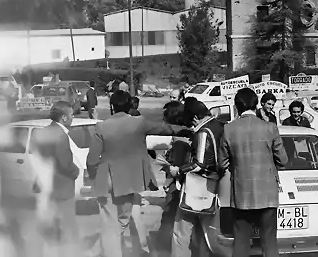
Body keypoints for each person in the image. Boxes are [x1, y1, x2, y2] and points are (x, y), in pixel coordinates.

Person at [86, 90, 193, 257]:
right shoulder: (139, 123)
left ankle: (102, 251)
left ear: (112, 107)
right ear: (129, 106)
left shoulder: (101, 126)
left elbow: (91, 161)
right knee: (121, 221)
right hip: (128, 182)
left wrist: (95, 179)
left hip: (105, 181)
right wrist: (188, 130)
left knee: (111, 224)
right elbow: (166, 129)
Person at [219, 88, 288, 257]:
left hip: (241, 194)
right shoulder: (270, 128)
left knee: (241, 242)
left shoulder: (228, 129)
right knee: (269, 242)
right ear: (256, 104)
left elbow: (222, 163)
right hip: (268, 193)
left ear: (236, 107)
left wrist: (237, 168)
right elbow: (283, 160)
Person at [171, 97, 225, 257]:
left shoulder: (203, 132)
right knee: (206, 234)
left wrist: (179, 170)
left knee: (181, 231)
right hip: (216, 187)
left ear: (195, 117)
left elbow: (199, 164)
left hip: (198, 188)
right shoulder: (219, 126)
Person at [31, 101, 81, 257]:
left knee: (48, 226)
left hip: (43, 186)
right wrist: (76, 171)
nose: (73, 118)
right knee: (66, 225)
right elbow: (65, 163)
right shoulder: (60, 135)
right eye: (72, 115)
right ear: (64, 118)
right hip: (61, 188)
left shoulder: (41, 132)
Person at [156, 101, 193, 252]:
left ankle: (164, 248)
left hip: (177, 184)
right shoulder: (189, 132)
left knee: (170, 216)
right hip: (185, 183)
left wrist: (168, 179)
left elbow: (176, 163)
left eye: (165, 113)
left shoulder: (179, 136)